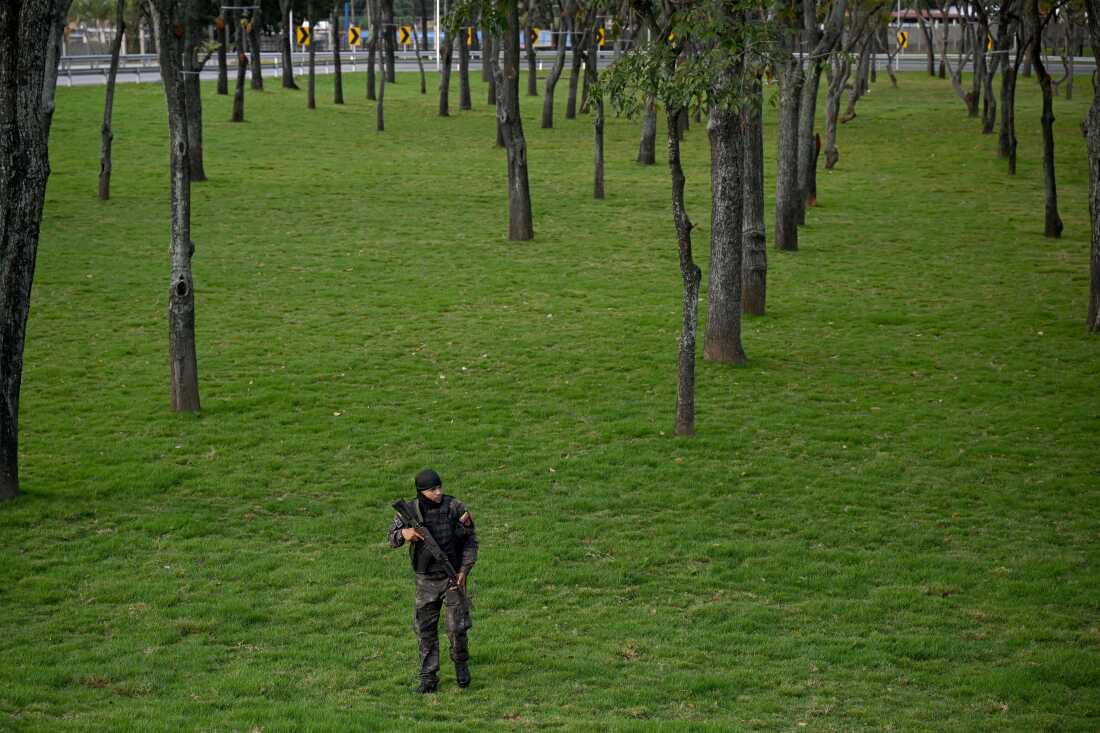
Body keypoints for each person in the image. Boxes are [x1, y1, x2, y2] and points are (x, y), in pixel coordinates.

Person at [388, 468, 478, 693]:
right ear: (421, 492)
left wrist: (464, 570)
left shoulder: (455, 507)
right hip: (425, 580)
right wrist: (404, 534)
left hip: (452, 578)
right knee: (425, 630)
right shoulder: (409, 511)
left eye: (440, 487)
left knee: (456, 628)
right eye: (432, 489)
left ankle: (461, 666)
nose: (439, 492)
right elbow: (392, 538)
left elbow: (470, 541)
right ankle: (428, 678)